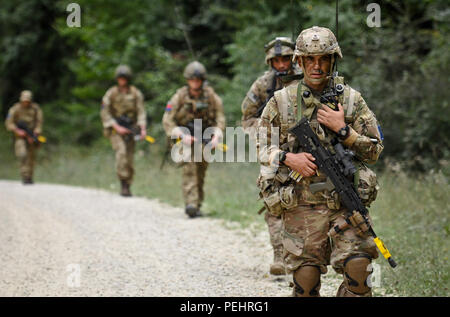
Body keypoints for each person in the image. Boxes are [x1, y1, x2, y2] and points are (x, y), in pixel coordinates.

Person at [257, 26, 384, 297]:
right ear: (300, 61)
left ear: (332, 60)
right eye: (310, 59)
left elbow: (374, 151)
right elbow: (261, 147)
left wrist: (345, 131)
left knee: (359, 272)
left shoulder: (350, 101)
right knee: (305, 283)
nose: (317, 66)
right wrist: (288, 158)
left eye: (323, 58)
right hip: (302, 204)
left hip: (345, 203)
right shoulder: (281, 101)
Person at [241, 37, 301, 276]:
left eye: (285, 58)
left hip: (305, 149)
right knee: (274, 200)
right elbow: (246, 118)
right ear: (270, 61)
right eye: (276, 60)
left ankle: (308, 258)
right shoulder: (263, 85)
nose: (281, 63)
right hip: (274, 151)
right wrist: (266, 131)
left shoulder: (308, 78)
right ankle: (280, 255)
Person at [162, 61, 225, 218]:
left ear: (203, 80)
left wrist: (217, 135)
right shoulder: (180, 96)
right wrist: (181, 135)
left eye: (198, 80)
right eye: (192, 80)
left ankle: (197, 204)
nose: (195, 83)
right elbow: (167, 120)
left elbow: (220, 118)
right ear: (187, 80)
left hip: (204, 138)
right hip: (185, 138)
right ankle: (190, 203)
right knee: (189, 167)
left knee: (201, 171)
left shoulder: (211, 96)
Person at [101, 65, 146, 197]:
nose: (122, 80)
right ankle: (123, 183)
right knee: (121, 153)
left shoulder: (135, 93)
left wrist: (142, 128)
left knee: (129, 157)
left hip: (131, 128)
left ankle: (128, 184)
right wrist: (116, 127)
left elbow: (141, 111)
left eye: (124, 78)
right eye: (120, 78)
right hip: (115, 129)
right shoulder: (111, 93)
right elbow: (104, 112)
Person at [5, 90, 43, 184]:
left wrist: (36, 132)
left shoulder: (36, 108)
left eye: (28, 100)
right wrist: (17, 131)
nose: (26, 102)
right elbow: (9, 123)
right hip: (20, 137)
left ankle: (29, 177)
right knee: (22, 154)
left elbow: (39, 122)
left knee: (31, 157)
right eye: (24, 100)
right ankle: (25, 176)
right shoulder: (15, 109)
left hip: (32, 134)